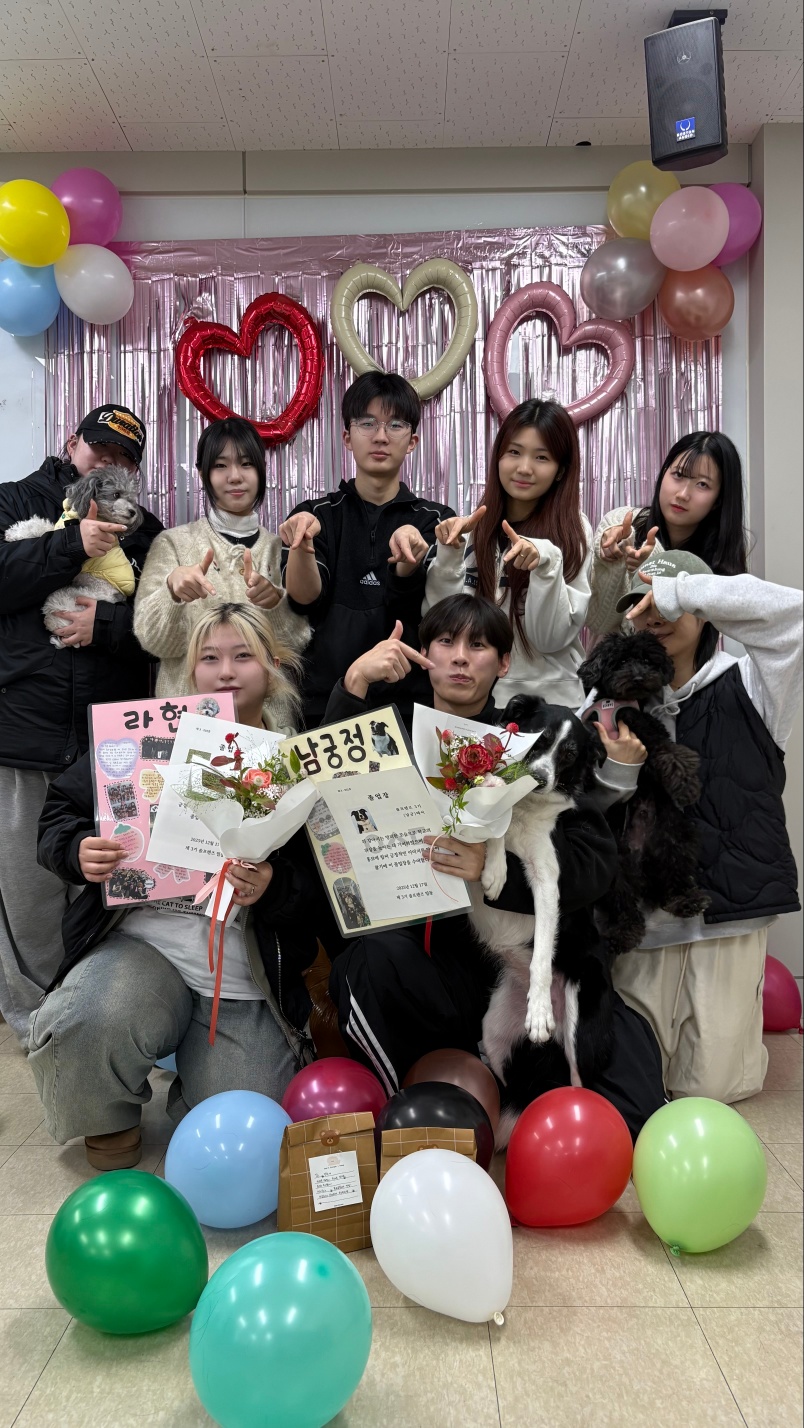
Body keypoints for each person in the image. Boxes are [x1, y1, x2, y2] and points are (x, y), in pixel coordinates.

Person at [326, 593, 666, 1141]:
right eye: (445, 642)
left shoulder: (530, 739)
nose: (460, 657)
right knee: (368, 962)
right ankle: (402, 1112)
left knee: (636, 1104)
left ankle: (536, 1109)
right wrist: (354, 684)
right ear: (424, 654)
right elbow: (329, 795)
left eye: (478, 645)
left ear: (504, 663)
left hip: (518, 967)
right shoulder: (391, 733)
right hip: (433, 965)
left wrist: (495, 865)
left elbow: (594, 861)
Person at [29, 603, 332, 1170]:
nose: (226, 672)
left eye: (243, 656)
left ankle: (194, 1077)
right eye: (209, 658)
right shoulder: (147, 734)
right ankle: (107, 1114)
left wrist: (275, 886)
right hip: (144, 945)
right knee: (87, 1019)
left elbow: (326, 890)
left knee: (245, 1129)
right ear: (191, 669)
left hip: (242, 974)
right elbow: (59, 813)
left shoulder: (297, 760)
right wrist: (77, 850)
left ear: (273, 665)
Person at [591, 549, 802, 1102]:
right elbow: (586, 808)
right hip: (640, 926)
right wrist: (618, 768)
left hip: (727, 918)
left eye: (665, 604)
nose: (655, 615)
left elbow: (796, 617)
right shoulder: (610, 700)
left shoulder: (753, 684)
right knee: (635, 1086)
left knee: (712, 1089)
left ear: (704, 609)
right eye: (642, 605)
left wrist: (683, 591)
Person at [0, 405, 162, 1041]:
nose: (109, 463)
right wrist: (70, 545)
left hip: (111, 742)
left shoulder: (145, 530)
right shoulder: (14, 502)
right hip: (25, 733)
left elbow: (164, 633)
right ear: (72, 444)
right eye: (101, 449)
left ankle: (93, 1018)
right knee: (27, 891)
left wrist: (109, 625)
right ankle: (35, 1024)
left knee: (108, 882)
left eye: (125, 459)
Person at [280, 372, 454, 728]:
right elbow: (303, 599)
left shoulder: (435, 520)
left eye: (395, 425)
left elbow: (435, 612)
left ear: (412, 441)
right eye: (367, 423)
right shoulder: (314, 515)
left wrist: (407, 566)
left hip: (411, 706)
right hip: (325, 704)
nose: (380, 436)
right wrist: (303, 547)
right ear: (347, 437)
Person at [134, 417, 309, 732]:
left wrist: (275, 605)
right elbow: (154, 642)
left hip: (269, 732)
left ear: (261, 470)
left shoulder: (281, 548)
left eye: (246, 464)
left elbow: (295, 648)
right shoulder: (173, 543)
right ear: (203, 474)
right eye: (220, 466)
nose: (235, 476)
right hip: (190, 733)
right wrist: (172, 594)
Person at [424, 398, 591, 707]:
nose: (524, 468)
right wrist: (448, 555)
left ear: (560, 471)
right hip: (476, 703)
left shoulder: (573, 531)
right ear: (498, 457)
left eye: (542, 457)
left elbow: (550, 638)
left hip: (551, 704)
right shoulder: (471, 528)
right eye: (514, 452)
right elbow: (440, 624)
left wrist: (545, 562)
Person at [587, 430, 749, 635]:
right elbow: (598, 624)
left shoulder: (719, 558)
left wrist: (652, 566)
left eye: (702, 484)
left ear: (719, 499)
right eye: (678, 475)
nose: (683, 494)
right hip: (611, 656)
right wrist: (613, 560)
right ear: (664, 472)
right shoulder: (621, 523)